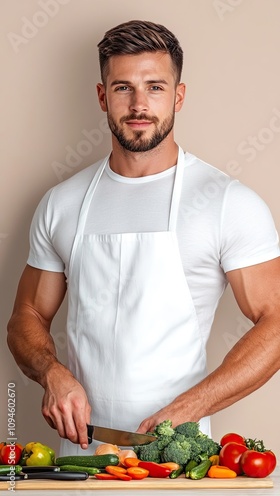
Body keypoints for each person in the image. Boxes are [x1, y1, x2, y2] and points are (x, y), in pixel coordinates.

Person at [7, 20, 280, 456]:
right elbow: (26, 315)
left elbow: (277, 321)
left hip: (178, 457)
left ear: (179, 95)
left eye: (155, 87)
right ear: (102, 97)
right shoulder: (62, 202)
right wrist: (50, 371)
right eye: (122, 88)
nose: (139, 105)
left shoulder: (226, 202)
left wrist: (194, 405)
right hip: (82, 456)